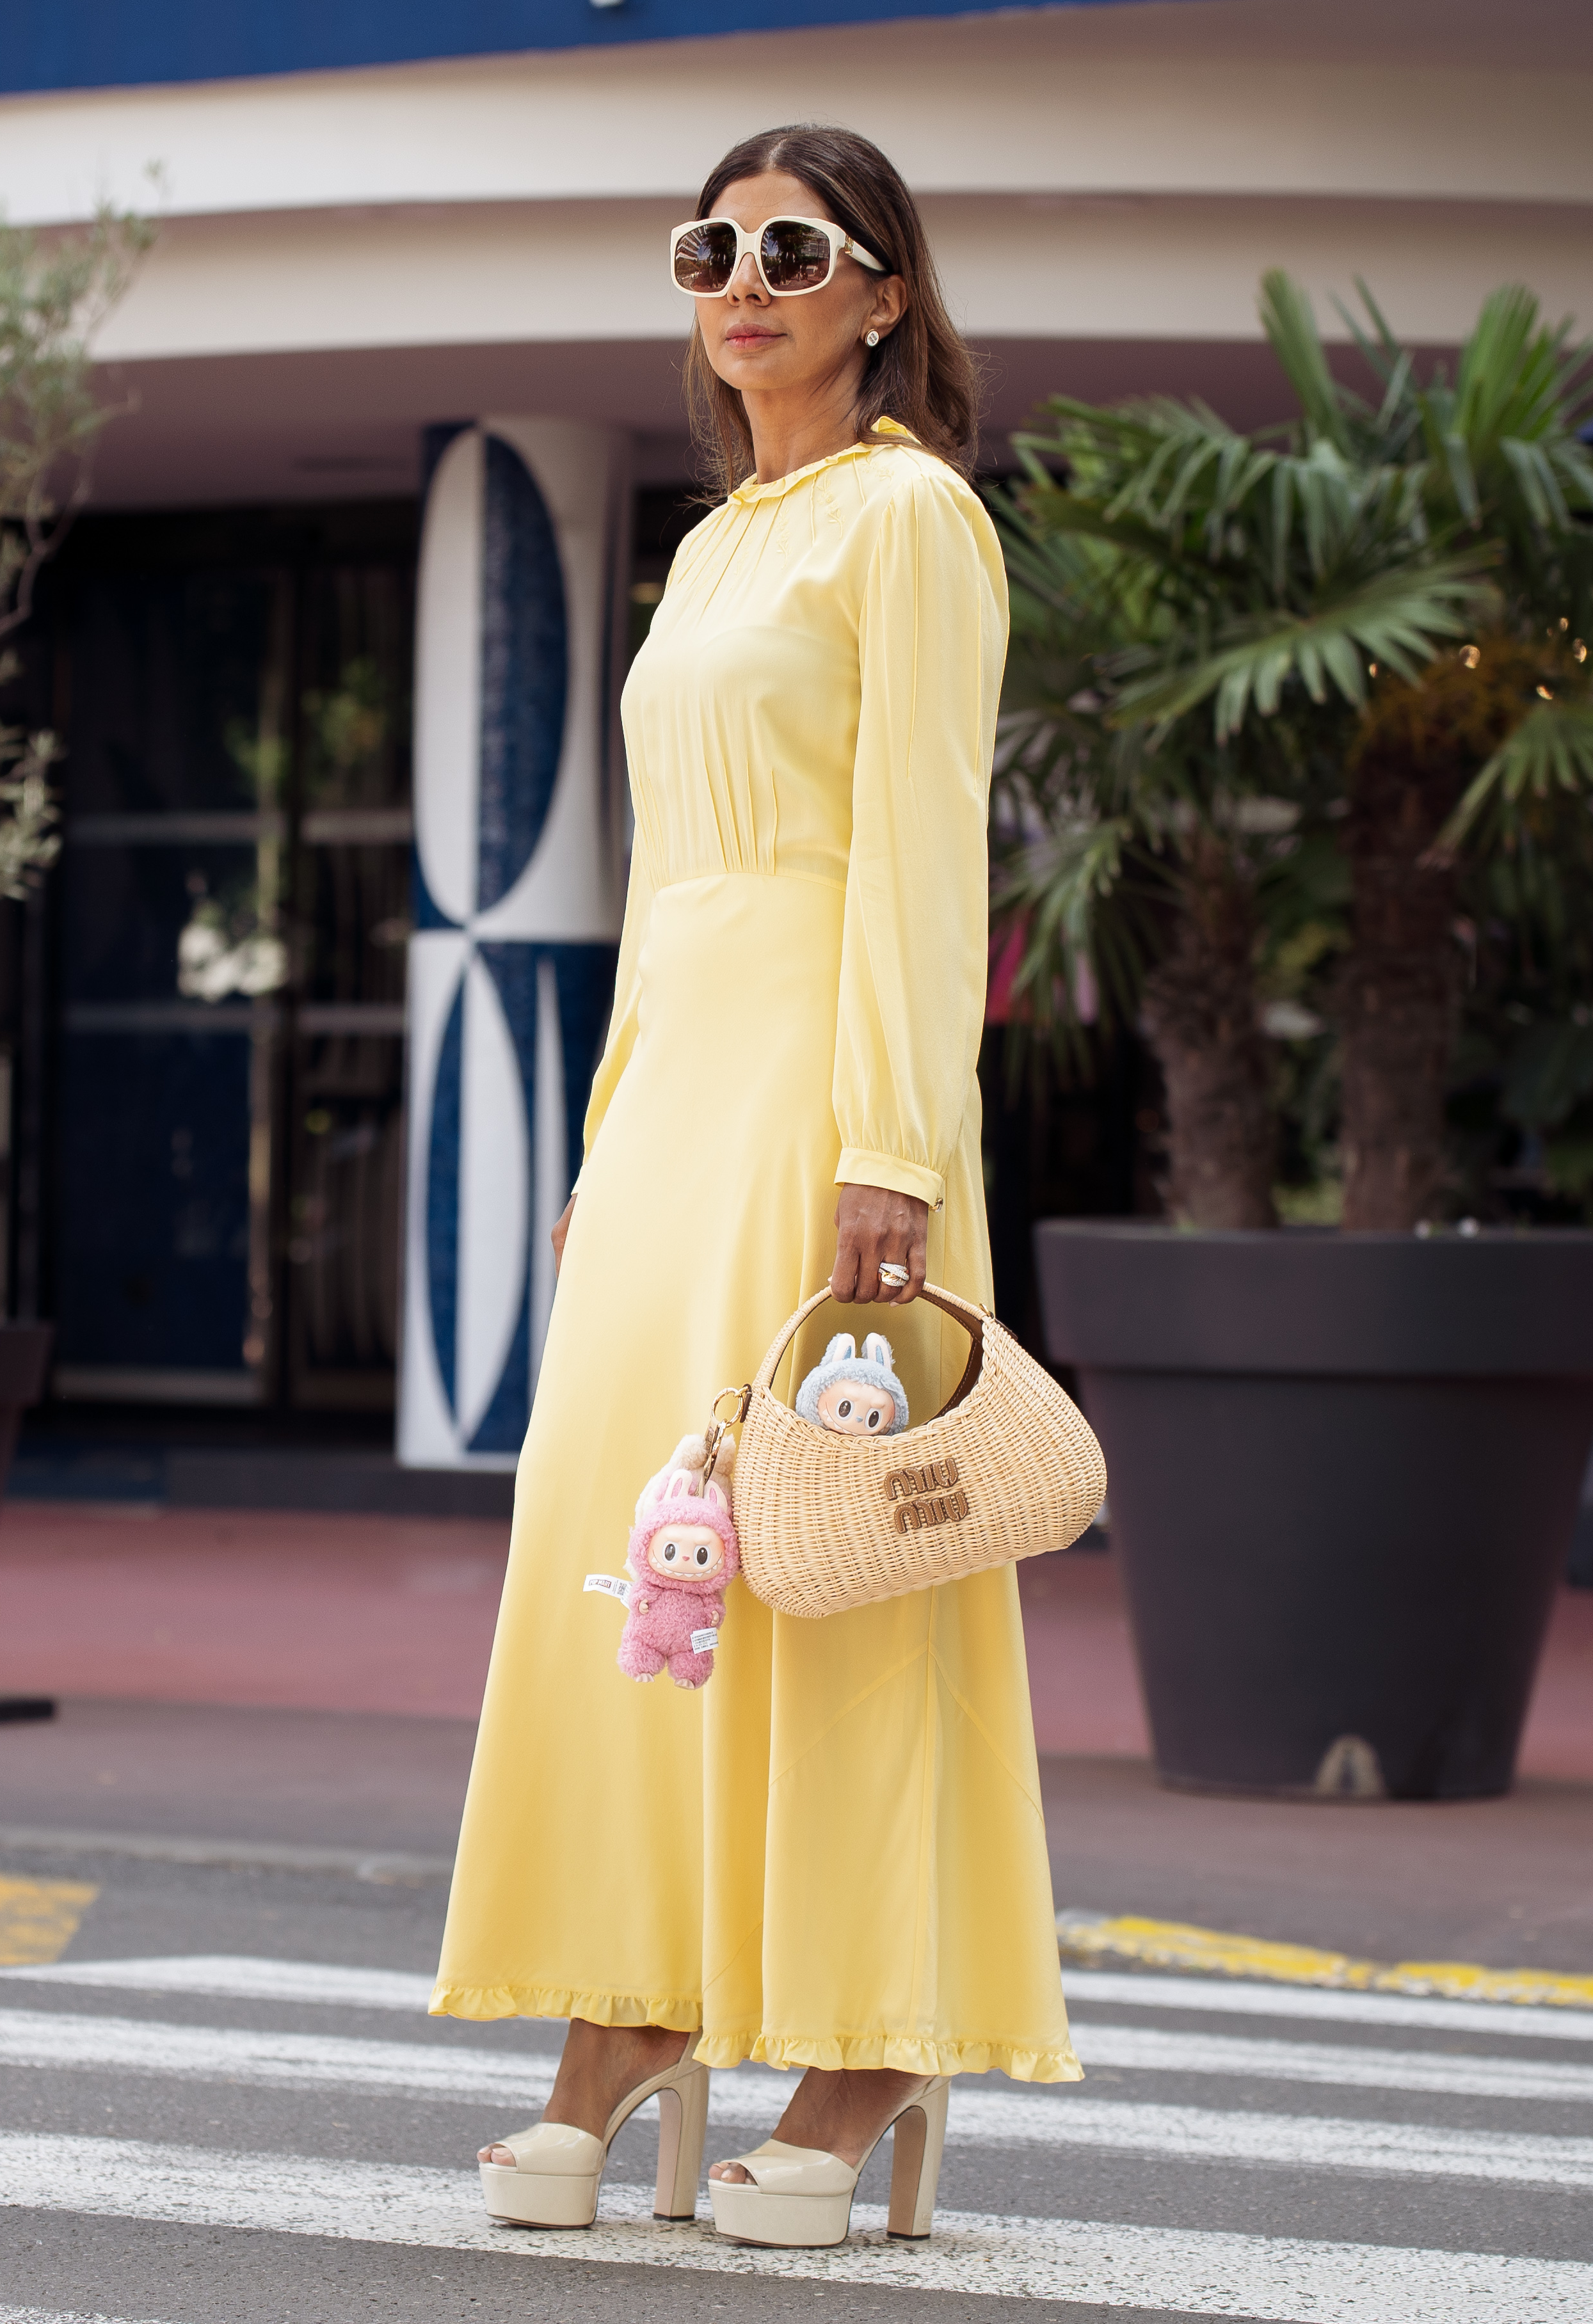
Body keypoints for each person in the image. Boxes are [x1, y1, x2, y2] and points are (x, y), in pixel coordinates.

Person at [434, 125, 1076, 2248]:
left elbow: (914, 851)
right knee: (627, 1558)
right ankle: (627, 2004)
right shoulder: (716, 545)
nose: (744, 281)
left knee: (823, 1562)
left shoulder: (906, 521)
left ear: (883, 294)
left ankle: (866, 2036)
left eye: (794, 249)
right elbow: (666, 885)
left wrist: (890, 1144)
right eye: (711, 246)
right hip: (673, 1107)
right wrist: (611, 1122)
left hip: (823, 1100)